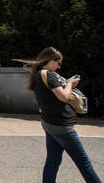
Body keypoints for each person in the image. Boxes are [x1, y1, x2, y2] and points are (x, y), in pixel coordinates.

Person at [29, 47, 100, 183]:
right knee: (84, 162)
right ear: (51, 60)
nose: (59, 67)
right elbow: (63, 96)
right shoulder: (48, 75)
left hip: (50, 123)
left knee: (53, 161)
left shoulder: (39, 75)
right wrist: (70, 84)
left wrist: (66, 83)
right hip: (61, 125)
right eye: (59, 63)